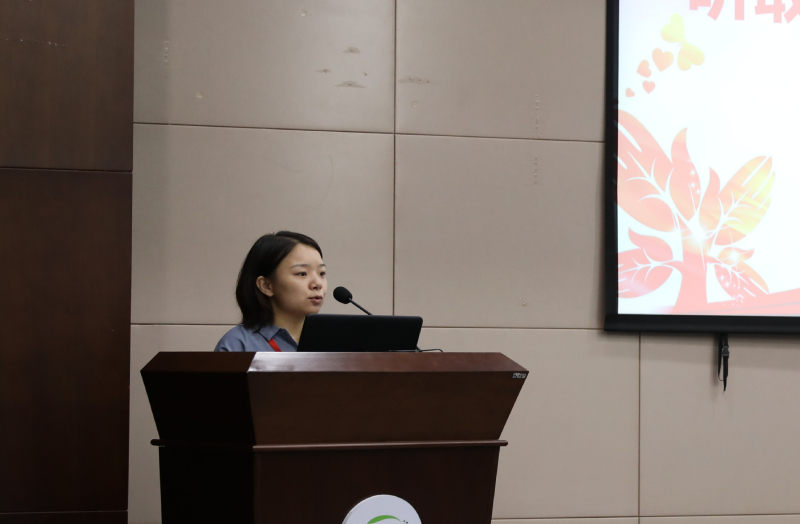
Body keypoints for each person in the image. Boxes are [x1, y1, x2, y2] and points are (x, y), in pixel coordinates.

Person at [214, 231, 327, 352]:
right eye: (302, 273)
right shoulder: (237, 345)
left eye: (322, 273)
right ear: (266, 286)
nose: (317, 284)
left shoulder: (330, 339)